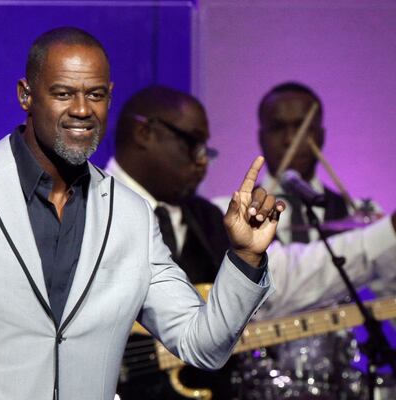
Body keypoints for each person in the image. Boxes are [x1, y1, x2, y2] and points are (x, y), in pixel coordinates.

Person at [0, 28, 285, 400]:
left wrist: (246, 258)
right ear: (26, 95)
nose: (82, 110)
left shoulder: (131, 216)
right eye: (64, 93)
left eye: (96, 95)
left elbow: (203, 345)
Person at [107, 85, 396, 399]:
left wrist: (387, 232)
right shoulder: (88, 206)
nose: (203, 161)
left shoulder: (213, 218)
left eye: (207, 149)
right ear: (145, 133)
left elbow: (289, 277)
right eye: (194, 143)